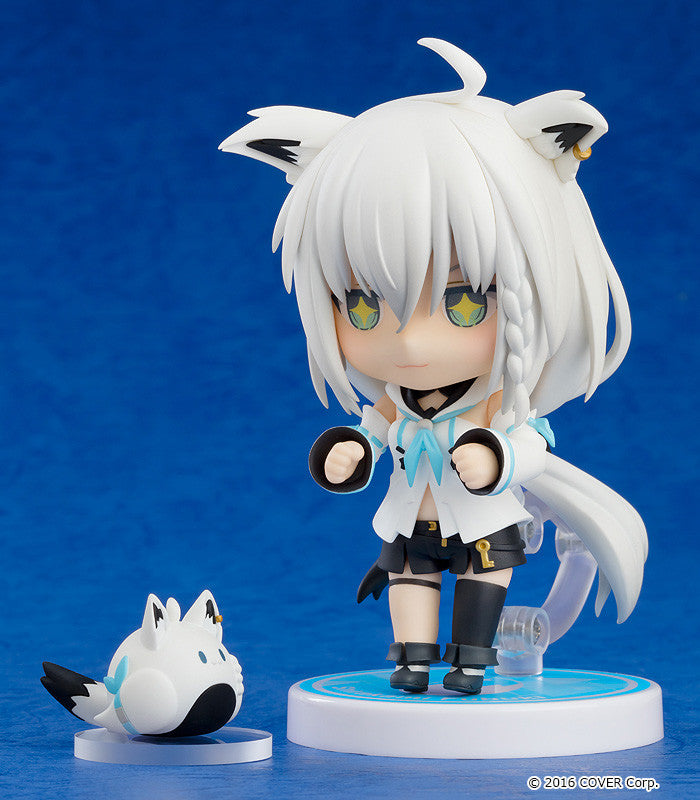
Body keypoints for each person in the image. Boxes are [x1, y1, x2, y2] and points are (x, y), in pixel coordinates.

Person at [220, 38, 647, 694]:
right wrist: (348, 453)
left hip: (481, 520)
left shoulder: (500, 406)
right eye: (363, 304)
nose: (410, 340)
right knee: (408, 578)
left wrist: (496, 460)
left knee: (481, 580)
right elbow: (372, 431)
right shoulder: (392, 402)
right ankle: (413, 660)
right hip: (409, 517)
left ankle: (471, 659)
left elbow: (529, 444)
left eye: (464, 300)